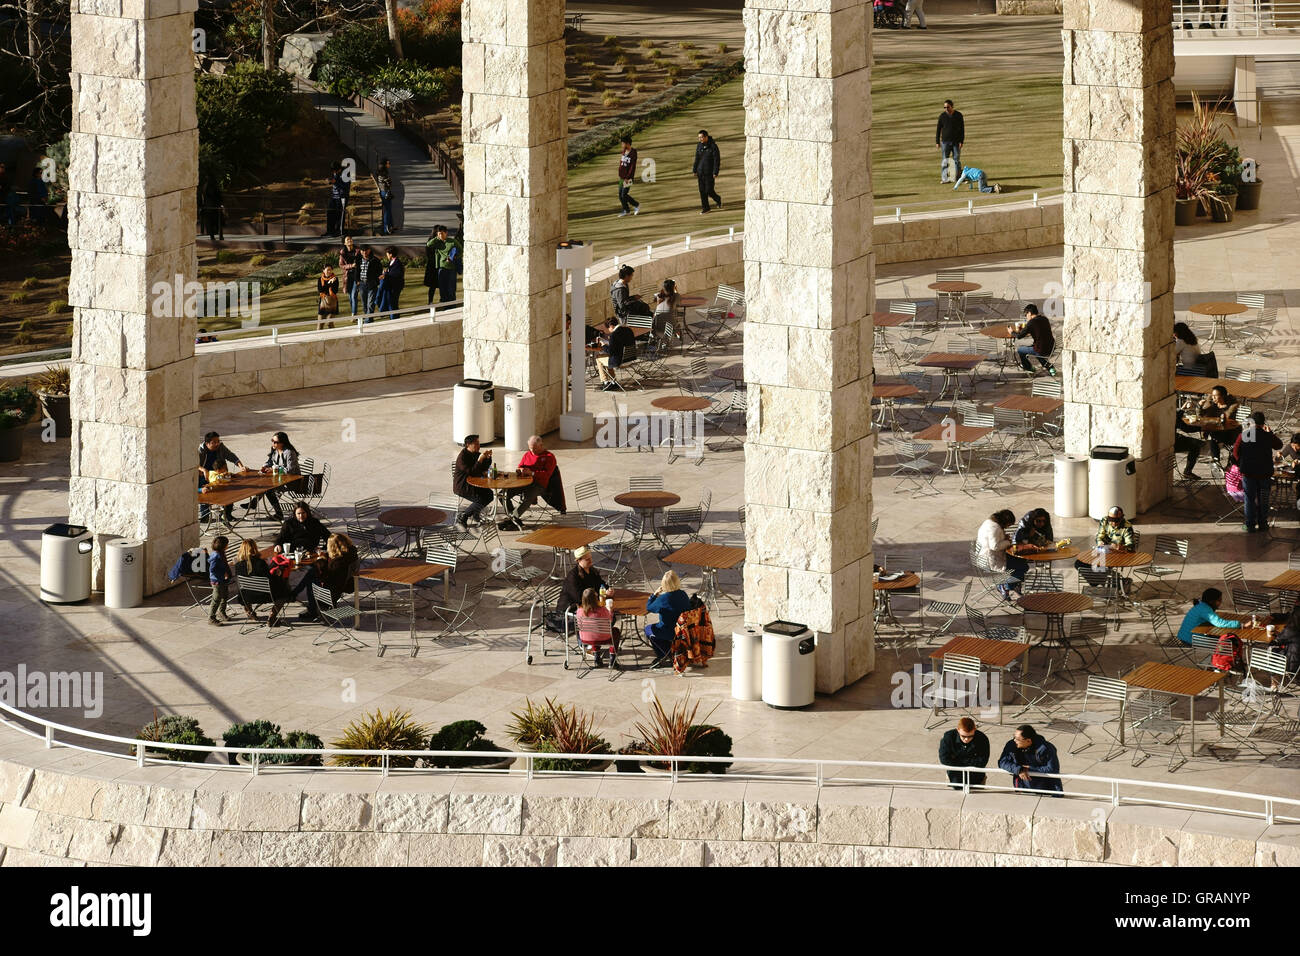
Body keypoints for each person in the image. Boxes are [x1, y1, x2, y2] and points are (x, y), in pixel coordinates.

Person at [1232, 410, 1283, 533]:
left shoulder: (1244, 435)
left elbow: (1235, 453)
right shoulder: (1267, 435)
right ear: (1263, 423)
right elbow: (1279, 445)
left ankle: (1250, 525)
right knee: (1263, 498)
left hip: (1248, 471)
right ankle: (1263, 524)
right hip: (1264, 472)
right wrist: (1270, 432)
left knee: (1249, 498)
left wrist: (1243, 462)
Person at [293, 532, 360, 621]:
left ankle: (311, 609)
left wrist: (323, 562)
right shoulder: (349, 553)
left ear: (333, 547)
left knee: (311, 579)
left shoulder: (338, 563)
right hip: (343, 584)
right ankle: (296, 595)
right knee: (311, 573)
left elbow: (327, 578)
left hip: (331, 592)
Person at [503, 435, 564, 530]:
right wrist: (520, 470)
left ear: (541, 445)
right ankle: (513, 517)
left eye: (534, 448)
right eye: (530, 448)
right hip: (524, 482)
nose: (532, 451)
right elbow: (520, 466)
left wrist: (531, 473)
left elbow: (547, 474)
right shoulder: (527, 454)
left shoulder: (549, 457)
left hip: (540, 485)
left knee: (528, 497)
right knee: (503, 494)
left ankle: (513, 519)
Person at [233, 539, 289, 625]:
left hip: (246, 596)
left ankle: (250, 612)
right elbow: (269, 580)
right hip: (264, 595)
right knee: (284, 592)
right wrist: (277, 573)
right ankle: (272, 617)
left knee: (244, 588)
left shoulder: (238, 565)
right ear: (255, 548)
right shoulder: (260, 563)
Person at [976, 509, 1026, 602]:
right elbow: (994, 546)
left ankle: (1014, 585)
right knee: (1021, 566)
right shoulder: (995, 528)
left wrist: (1003, 538)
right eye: (1008, 524)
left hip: (986, 556)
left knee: (1021, 563)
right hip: (991, 559)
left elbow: (995, 540)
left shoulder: (989, 522)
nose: (1008, 527)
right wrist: (1008, 541)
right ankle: (1006, 585)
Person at [998, 725, 1062, 795]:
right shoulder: (1012, 745)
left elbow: (1053, 769)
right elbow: (1002, 762)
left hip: (1046, 790)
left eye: (1017, 739)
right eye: (1014, 737)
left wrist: (1029, 768)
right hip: (1022, 788)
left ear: (1028, 741)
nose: (1014, 740)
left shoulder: (1046, 748)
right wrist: (1019, 769)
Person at [646, 570, 692, 665]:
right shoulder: (683, 594)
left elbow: (649, 607)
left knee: (648, 629)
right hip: (684, 630)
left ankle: (663, 654)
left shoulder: (663, 599)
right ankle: (671, 650)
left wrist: (654, 595)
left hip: (670, 631)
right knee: (659, 629)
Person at [197, 431, 245, 524]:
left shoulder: (221, 447)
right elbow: (192, 464)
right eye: (214, 442)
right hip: (205, 476)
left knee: (229, 491)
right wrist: (203, 470)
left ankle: (226, 515)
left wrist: (241, 466)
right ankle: (205, 516)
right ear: (207, 443)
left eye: (218, 441)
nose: (217, 444)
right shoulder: (200, 450)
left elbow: (232, 456)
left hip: (220, 474)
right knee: (205, 491)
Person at [252, 431, 300, 520]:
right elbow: (270, 461)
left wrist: (275, 469)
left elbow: (290, 470)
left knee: (268, 489)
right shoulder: (275, 451)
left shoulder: (289, 452)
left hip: (293, 481)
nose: (273, 443)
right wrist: (265, 466)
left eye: (275, 442)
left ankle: (278, 513)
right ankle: (254, 503)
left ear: (282, 443)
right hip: (281, 479)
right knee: (263, 484)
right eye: (272, 441)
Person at [453, 434, 493, 531]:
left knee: (489, 494)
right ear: (468, 445)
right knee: (481, 498)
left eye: (478, 443)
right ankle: (464, 516)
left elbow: (483, 468)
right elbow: (472, 471)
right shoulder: (462, 457)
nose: (479, 445)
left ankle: (475, 514)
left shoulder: (475, 453)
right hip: (463, 486)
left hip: (474, 484)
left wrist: (487, 458)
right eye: (476, 443)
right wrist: (479, 460)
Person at [1176, 587, 1242, 645]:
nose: (1221, 602)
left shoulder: (1201, 605)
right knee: (1229, 642)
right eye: (1219, 600)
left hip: (1184, 636)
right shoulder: (1205, 610)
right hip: (1190, 639)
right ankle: (1219, 658)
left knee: (1225, 638)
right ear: (1211, 601)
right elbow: (1219, 623)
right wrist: (1240, 624)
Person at [938, 717, 989, 789]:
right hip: (954, 778)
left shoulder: (982, 739)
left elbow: (982, 762)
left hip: (977, 779)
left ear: (975, 730)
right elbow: (944, 759)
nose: (966, 739)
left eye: (970, 736)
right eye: (963, 736)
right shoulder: (948, 737)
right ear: (958, 730)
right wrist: (971, 761)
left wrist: (956, 760)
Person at [575, 587, 619, 668]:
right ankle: (612, 660)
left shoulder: (579, 611)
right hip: (603, 638)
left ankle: (597, 658)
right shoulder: (602, 610)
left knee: (593, 631)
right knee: (615, 631)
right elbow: (610, 619)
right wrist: (610, 610)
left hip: (585, 638)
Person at [1197, 385, 1240, 466]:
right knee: (1213, 436)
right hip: (1216, 432)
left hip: (1230, 433)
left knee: (1214, 437)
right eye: (1212, 395)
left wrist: (1222, 418)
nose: (1213, 398)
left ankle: (1223, 463)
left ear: (1222, 396)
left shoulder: (1230, 408)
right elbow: (1200, 416)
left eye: (1215, 396)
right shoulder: (1212, 406)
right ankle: (1216, 460)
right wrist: (1199, 406)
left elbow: (1228, 421)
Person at [559, 545, 606, 614]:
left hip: (588, 605)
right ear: (579, 560)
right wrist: (595, 597)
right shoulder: (573, 576)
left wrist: (607, 589)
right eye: (587, 559)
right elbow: (578, 597)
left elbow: (600, 583)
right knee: (605, 616)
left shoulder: (592, 571)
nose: (591, 561)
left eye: (590, 558)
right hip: (571, 610)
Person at [1011, 304, 1056, 375]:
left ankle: (1029, 368)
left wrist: (1011, 332)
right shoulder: (1044, 319)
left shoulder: (1031, 323)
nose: (1026, 317)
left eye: (1026, 315)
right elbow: (1039, 330)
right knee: (1036, 349)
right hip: (1051, 347)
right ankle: (1050, 368)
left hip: (1041, 349)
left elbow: (1019, 336)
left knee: (1020, 350)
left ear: (1029, 313)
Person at [596, 316, 635, 391]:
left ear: (611, 326)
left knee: (598, 358)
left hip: (619, 361)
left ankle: (606, 382)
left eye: (608, 328)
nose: (609, 330)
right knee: (607, 357)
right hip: (630, 358)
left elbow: (611, 352)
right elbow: (620, 344)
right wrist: (610, 343)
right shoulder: (628, 330)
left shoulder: (614, 335)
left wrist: (603, 345)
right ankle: (613, 382)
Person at [425, 224, 461, 304]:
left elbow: (460, 250)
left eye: (442, 233)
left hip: (451, 268)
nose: (441, 235)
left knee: (450, 288)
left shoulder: (452, 242)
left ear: (446, 233)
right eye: (439, 233)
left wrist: (454, 257)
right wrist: (437, 238)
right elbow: (428, 244)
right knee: (442, 288)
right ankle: (443, 303)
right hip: (441, 268)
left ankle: (451, 304)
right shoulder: (437, 242)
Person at [692, 129, 722, 214]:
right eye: (699, 138)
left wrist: (715, 172)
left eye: (701, 137)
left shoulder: (713, 146)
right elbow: (697, 158)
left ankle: (717, 199)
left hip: (709, 173)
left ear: (706, 137)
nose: (700, 139)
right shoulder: (699, 146)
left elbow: (717, 160)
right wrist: (694, 169)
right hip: (700, 172)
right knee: (702, 191)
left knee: (709, 190)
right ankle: (706, 208)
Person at [935, 100, 964, 184]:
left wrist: (961, 141)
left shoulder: (958, 115)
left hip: (956, 142)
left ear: (952, 106)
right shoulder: (942, 116)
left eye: (948, 107)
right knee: (945, 160)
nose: (946, 109)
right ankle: (945, 179)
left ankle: (957, 177)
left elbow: (962, 129)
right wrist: (937, 141)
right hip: (945, 142)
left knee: (956, 160)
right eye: (945, 107)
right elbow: (938, 130)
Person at [207, 536, 233, 625]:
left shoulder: (221, 553)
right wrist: (223, 574)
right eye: (227, 544)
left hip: (223, 580)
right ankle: (211, 617)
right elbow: (212, 569)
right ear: (223, 546)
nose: (228, 546)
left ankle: (222, 612)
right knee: (216, 598)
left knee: (225, 596)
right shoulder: (216, 556)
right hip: (217, 581)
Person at [1268, 605, 1300, 675]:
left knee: (1271, 648)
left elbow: (1277, 641)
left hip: (1292, 664)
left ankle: (1273, 682)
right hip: (1295, 657)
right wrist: (1275, 616)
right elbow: (1288, 615)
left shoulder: (1292, 630)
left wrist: (1275, 636)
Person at [1175, 404, 1205, 478]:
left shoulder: (1167, 412)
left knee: (1196, 443)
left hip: (1170, 439)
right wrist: (1201, 428)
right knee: (1196, 446)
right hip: (1173, 442)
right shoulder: (1171, 414)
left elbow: (1177, 417)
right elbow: (1186, 429)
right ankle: (1187, 471)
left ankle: (1188, 471)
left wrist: (1182, 409)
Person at [616, 135, 641, 217]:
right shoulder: (623, 151)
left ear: (627, 143)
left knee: (624, 194)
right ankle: (626, 210)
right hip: (622, 178)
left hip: (628, 178)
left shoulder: (633, 152)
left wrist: (628, 177)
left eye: (623, 143)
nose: (622, 145)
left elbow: (632, 167)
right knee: (620, 195)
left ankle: (636, 205)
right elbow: (621, 163)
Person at [377, 247, 404, 321]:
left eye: (387, 255)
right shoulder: (391, 262)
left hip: (395, 287)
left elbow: (397, 275)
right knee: (392, 303)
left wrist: (385, 275)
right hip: (391, 286)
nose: (387, 256)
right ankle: (395, 318)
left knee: (392, 304)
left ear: (391, 254)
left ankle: (394, 319)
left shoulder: (397, 263)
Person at [356, 245, 381, 319]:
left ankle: (368, 320)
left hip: (372, 284)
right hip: (362, 284)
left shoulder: (375, 260)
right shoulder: (358, 260)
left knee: (370, 303)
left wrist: (376, 281)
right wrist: (357, 281)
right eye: (362, 251)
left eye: (366, 250)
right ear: (360, 252)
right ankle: (368, 317)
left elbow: (379, 271)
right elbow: (356, 272)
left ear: (369, 250)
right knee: (364, 304)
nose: (364, 252)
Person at [339, 236, 361, 316]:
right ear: (344, 243)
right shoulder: (342, 252)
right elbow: (341, 265)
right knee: (350, 296)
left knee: (354, 295)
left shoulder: (358, 250)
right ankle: (353, 311)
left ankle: (354, 314)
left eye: (350, 239)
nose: (350, 240)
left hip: (356, 275)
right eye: (347, 240)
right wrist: (351, 265)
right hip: (347, 277)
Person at [325, 161, 348, 237]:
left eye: (335, 170)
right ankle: (330, 231)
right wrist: (330, 180)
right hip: (334, 196)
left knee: (340, 215)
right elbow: (334, 181)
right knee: (330, 212)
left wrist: (335, 182)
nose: (334, 172)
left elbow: (346, 186)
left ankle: (339, 231)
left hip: (342, 197)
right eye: (333, 170)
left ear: (339, 169)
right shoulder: (335, 173)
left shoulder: (345, 174)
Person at [375, 157, 394, 236]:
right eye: (388, 163)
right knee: (387, 210)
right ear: (385, 164)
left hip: (385, 192)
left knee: (388, 210)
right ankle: (386, 228)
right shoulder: (383, 173)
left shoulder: (383, 172)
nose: (389, 164)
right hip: (385, 193)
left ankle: (390, 226)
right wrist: (389, 181)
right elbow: (389, 182)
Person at [317, 264, 339, 330]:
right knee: (320, 324)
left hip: (332, 302)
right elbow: (320, 290)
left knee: (330, 323)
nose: (329, 271)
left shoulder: (335, 279)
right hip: (323, 303)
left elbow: (335, 291)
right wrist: (329, 283)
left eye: (330, 270)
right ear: (323, 270)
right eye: (327, 270)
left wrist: (330, 283)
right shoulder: (319, 279)